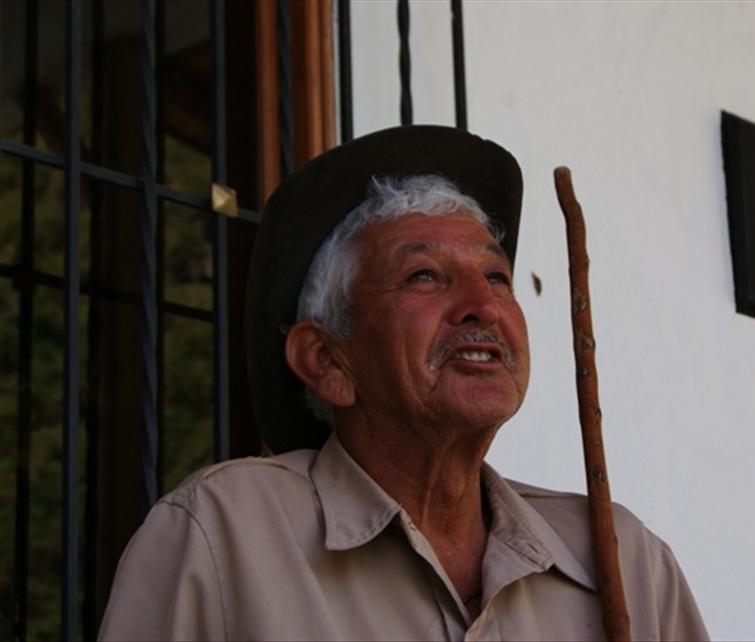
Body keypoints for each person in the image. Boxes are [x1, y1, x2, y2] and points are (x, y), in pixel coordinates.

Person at [98, 126, 709, 641]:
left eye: (496, 277)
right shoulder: (221, 537)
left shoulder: (625, 562)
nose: (482, 306)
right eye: (423, 276)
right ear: (326, 361)